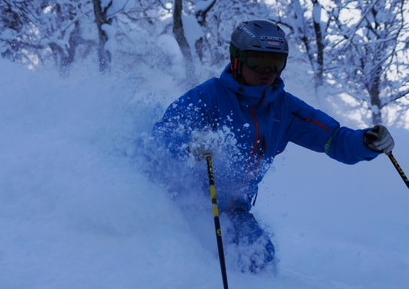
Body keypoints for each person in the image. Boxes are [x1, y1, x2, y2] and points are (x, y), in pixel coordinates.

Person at [153, 19, 394, 273]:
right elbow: (165, 132)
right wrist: (190, 144)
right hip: (187, 203)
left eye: (276, 63)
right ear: (237, 60)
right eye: (258, 61)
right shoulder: (209, 96)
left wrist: (367, 142)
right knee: (192, 258)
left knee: (260, 258)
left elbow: (335, 140)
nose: (267, 71)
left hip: (236, 212)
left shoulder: (285, 109)